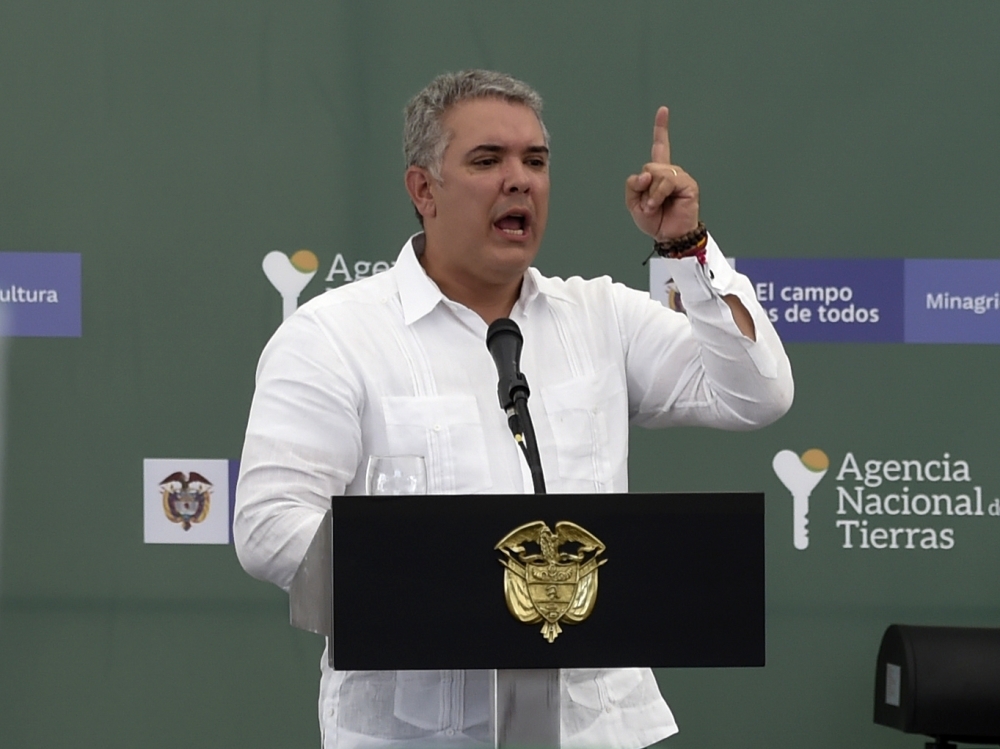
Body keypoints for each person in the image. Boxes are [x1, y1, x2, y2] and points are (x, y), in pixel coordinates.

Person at [234, 69, 793, 749]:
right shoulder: (333, 336)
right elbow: (269, 523)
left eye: (535, 161)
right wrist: (444, 588)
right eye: (486, 160)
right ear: (423, 190)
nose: (520, 179)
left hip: (598, 728)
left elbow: (756, 393)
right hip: (417, 735)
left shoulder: (601, 316)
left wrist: (686, 249)